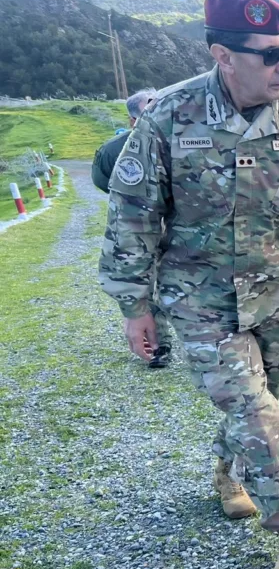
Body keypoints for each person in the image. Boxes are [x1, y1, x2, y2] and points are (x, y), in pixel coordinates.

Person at [99, 0, 279, 569]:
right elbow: (133, 216)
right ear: (223, 55)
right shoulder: (170, 117)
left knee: (264, 398)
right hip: (201, 299)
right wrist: (135, 305)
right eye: (269, 54)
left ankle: (228, 468)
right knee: (252, 409)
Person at [92, 88, 175, 368]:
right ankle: (158, 344)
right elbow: (102, 180)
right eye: (149, 111)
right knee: (145, 279)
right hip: (142, 226)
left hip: (178, 226)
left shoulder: (185, 139)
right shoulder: (116, 149)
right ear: (133, 120)